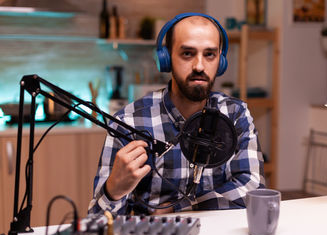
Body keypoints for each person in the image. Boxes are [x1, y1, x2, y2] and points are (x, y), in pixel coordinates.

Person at [88, 13, 265, 215]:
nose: (199, 66)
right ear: (166, 59)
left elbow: (253, 189)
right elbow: (97, 219)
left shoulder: (235, 114)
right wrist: (113, 191)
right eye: (188, 54)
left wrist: (177, 209)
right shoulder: (128, 121)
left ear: (221, 62)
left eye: (210, 55)